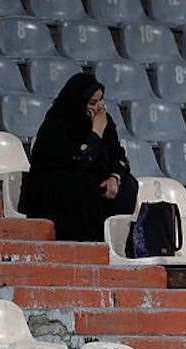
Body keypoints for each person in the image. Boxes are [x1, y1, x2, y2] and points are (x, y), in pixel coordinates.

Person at [19, 73, 137, 241]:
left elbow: (120, 156)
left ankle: (114, 244)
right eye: (92, 103)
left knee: (127, 185)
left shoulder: (104, 120)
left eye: (101, 100)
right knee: (82, 185)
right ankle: (83, 242)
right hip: (54, 184)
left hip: (89, 181)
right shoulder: (58, 122)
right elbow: (78, 162)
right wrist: (95, 133)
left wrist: (114, 177)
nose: (99, 108)